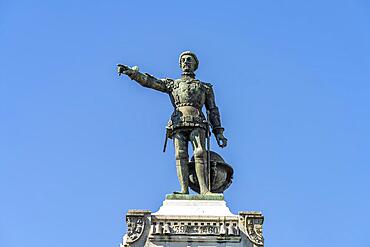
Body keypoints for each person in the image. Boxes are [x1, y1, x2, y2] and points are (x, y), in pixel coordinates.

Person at [117, 51, 227, 195]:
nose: (186, 62)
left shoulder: (204, 87)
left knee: (200, 152)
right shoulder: (173, 84)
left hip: (198, 121)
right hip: (178, 122)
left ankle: (205, 190)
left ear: (195, 65)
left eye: (189, 60)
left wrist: (219, 132)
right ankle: (184, 189)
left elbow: (212, 110)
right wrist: (132, 73)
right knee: (180, 154)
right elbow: (151, 82)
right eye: (183, 60)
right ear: (180, 64)